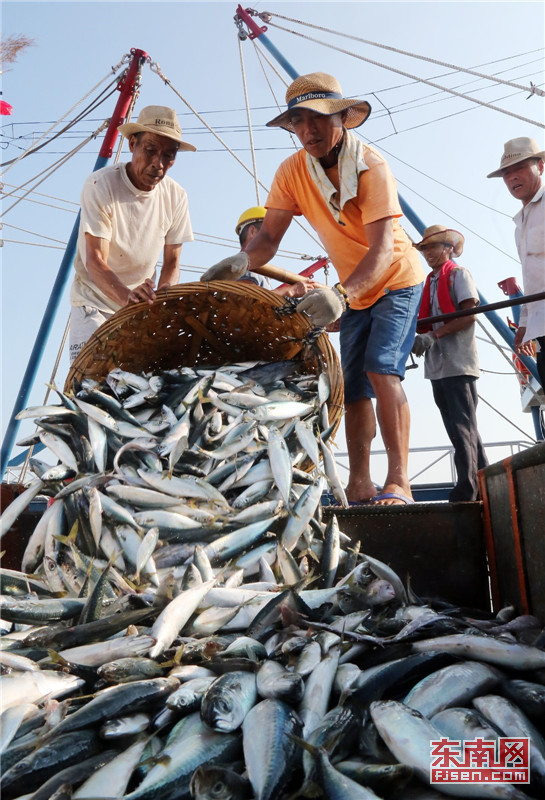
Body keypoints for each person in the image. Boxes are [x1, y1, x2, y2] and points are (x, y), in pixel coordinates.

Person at [202, 73, 425, 506]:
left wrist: (339, 296)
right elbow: (268, 239)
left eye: (319, 118)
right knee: (354, 386)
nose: (308, 130)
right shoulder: (290, 171)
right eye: (298, 121)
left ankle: (399, 482)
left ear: (343, 116)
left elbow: (381, 250)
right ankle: (360, 484)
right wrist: (242, 262)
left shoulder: (371, 166)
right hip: (355, 288)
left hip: (396, 276)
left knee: (382, 370)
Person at [69, 105, 195, 363]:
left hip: (140, 306)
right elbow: (95, 261)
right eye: (150, 150)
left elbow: (172, 263)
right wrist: (127, 298)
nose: (158, 164)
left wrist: (162, 299)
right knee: (90, 385)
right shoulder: (100, 185)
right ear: (132, 144)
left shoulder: (176, 196)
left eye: (168, 156)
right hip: (94, 301)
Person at [412, 226, 488, 501]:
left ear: (448, 248)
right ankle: (484, 482)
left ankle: (467, 488)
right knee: (463, 427)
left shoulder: (458, 274)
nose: (428, 253)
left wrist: (433, 335)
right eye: (425, 249)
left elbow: (470, 315)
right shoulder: (427, 283)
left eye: (433, 247)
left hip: (458, 361)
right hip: (436, 366)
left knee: (461, 427)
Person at [487, 137, 545, 389]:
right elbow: (533, 278)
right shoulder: (520, 223)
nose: (512, 178)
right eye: (507, 173)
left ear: (540, 166)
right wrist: (523, 325)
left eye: (520, 168)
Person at [234, 206, 319, 298]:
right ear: (252, 231)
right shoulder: (245, 267)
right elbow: (244, 302)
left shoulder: (246, 268)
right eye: (270, 232)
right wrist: (291, 291)